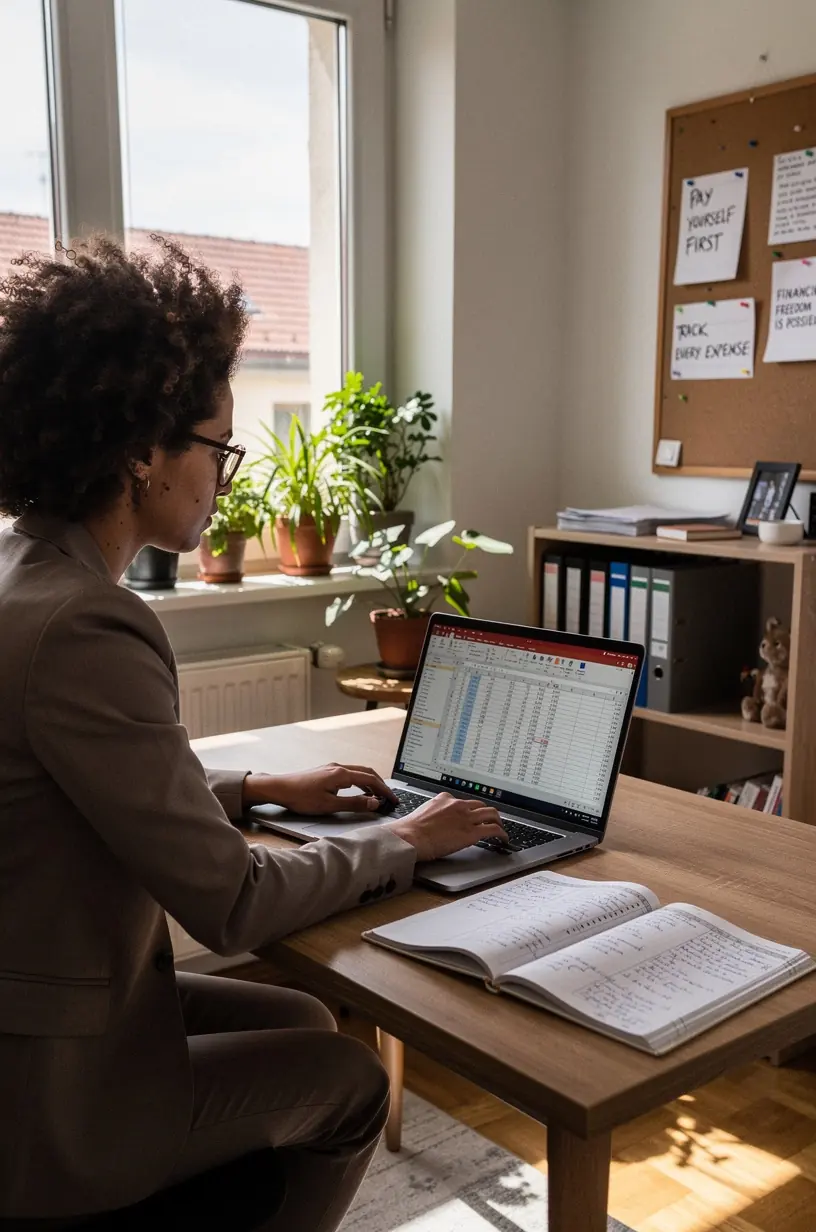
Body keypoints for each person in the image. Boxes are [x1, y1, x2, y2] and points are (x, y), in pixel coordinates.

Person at [0, 236, 507, 1229]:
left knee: (299, 1013)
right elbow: (232, 902)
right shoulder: (89, 624)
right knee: (348, 1077)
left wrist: (258, 790)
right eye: (219, 445)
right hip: (45, 1097)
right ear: (143, 450)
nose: (229, 474)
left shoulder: (30, 576)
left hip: (46, 1002)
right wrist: (402, 839)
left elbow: (95, 784)